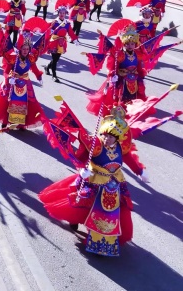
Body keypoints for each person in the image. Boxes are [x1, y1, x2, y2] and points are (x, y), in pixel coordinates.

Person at [39, 106, 149, 257]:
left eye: (111, 137)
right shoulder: (95, 145)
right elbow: (80, 154)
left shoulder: (120, 148)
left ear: (117, 138)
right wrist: (84, 169)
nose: (107, 138)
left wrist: (140, 171)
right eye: (105, 135)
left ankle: (107, 237)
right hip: (94, 178)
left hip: (114, 183)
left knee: (113, 209)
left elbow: (130, 159)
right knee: (84, 203)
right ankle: (75, 219)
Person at [0, 35, 45, 129]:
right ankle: (6, 121)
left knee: (26, 103)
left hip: (25, 83)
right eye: (24, 49)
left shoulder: (30, 58)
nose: (26, 51)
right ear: (20, 49)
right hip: (13, 81)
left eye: (27, 49)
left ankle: (21, 124)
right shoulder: (13, 58)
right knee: (9, 101)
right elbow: (6, 71)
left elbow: (34, 69)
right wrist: (7, 80)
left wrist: (39, 76)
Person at [86, 27, 145, 115]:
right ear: (124, 44)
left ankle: (134, 108)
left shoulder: (138, 54)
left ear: (135, 44)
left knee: (139, 90)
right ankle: (119, 109)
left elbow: (139, 65)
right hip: (122, 77)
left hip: (134, 77)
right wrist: (112, 73)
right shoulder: (119, 54)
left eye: (132, 44)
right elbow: (111, 65)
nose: (130, 46)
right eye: (127, 44)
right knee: (120, 93)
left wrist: (141, 73)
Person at [44, 6, 77, 83]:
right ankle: (54, 75)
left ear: (65, 14)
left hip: (61, 43)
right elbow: (48, 29)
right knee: (55, 60)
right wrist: (51, 30)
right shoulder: (54, 22)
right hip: (54, 42)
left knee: (56, 59)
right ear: (58, 13)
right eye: (60, 13)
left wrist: (75, 39)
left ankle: (47, 67)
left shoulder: (67, 23)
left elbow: (71, 32)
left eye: (63, 13)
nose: (62, 14)